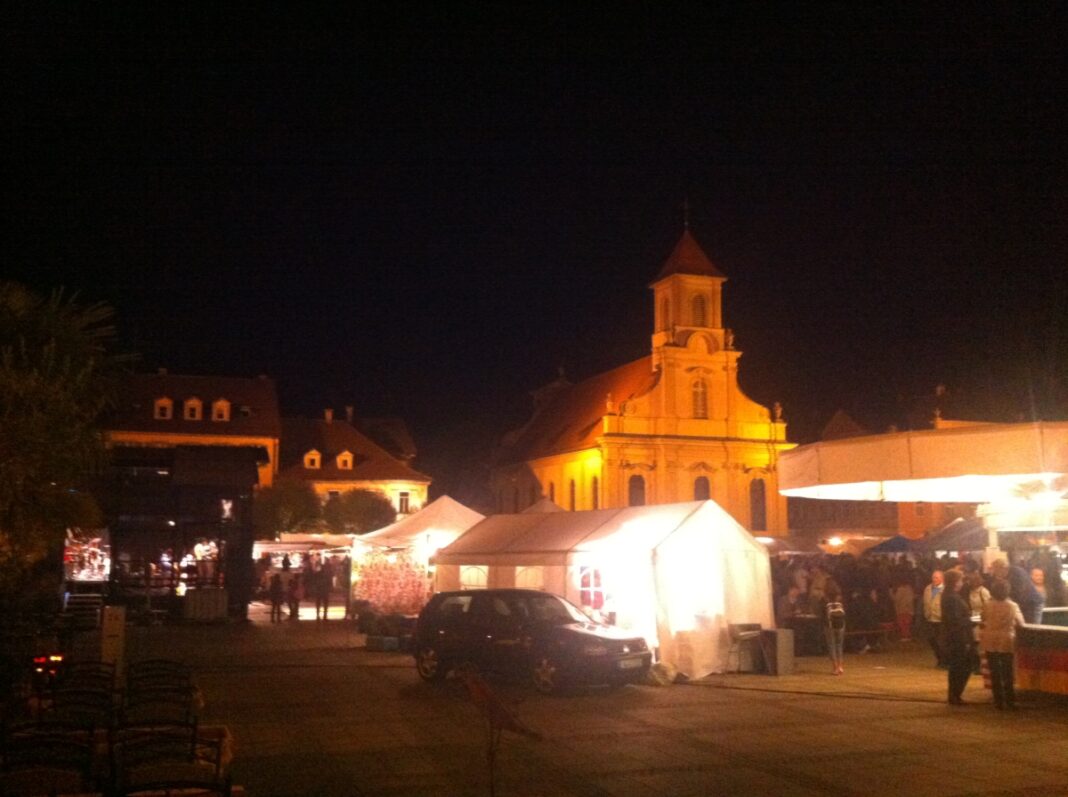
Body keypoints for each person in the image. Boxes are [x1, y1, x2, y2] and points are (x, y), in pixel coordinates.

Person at [980, 578, 1025, 710]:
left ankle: (998, 700)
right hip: (1006, 640)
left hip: (990, 640)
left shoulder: (988, 605)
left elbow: (983, 618)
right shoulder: (1012, 606)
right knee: (1007, 671)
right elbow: (1021, 622)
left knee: (994, 671)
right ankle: (1009, 700)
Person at [940, 570, 973, 705]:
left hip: (954, 635)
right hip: (958, 636)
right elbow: (955, 620)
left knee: (956, 666)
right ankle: (955, 694)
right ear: (955, 582)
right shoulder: (952, 598)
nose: (962, 583)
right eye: (960, 581)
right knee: (961, 666)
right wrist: (971, 621)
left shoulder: (948, 595)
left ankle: (954, 695)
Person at [991, 559, 1042, 624]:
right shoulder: (1005, 575)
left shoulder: (1017, 573)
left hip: (1033, 603)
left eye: (996, 571)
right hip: (1022, 603)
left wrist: (1004, 599)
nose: (995, 574)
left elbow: (1019, 592)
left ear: (1003, 568)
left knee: (1033, 627)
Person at [964, 570, 991, 675]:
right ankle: (976, 665)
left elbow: (988, 607)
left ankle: (979, 666)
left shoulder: (983, 591)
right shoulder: (971, 592)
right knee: (974, 644)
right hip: (974, 617)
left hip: (981, 619)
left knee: (978, 644)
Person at [823, 579, 847, 675]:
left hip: (829, 625)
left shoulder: (825, 600)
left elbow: (821, 613)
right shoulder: (840, 599)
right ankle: (841, 666)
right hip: (841, 624)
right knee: (839, 645)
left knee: (831, 646)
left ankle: (835, 667)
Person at [922, 570, 946, 668]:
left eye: (936, 577)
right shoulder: (928, 588)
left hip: (940, 619)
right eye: (933, 577)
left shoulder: (945, 589)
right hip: (930, 618)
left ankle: (944, 660)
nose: (934, 579)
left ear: (942, 579)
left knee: (941, 641)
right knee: (932, 639)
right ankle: (940, 658)